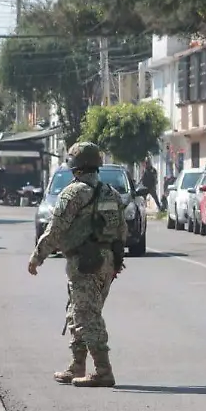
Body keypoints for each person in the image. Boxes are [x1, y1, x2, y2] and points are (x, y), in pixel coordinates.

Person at [28, 142, 127, 388]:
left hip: (84, 262)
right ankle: (77, 365)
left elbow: (55, 229)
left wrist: (37, 256)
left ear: (75, 166)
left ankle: (103, 371)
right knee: (78, 311)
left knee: (86, 315)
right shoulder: (111, 193)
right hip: (107, 262)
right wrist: (115, 262)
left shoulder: (73, 193)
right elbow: (122, 230)